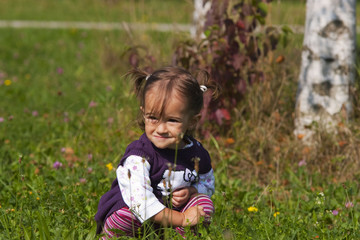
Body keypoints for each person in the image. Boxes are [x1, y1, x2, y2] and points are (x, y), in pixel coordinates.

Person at [95, 66, 219, 239]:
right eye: (153, 118)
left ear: (191, 121)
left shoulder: (197, 153)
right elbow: (140, 203)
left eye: (172, 120)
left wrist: (192, 191)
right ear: (143, 113)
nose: (161, 129)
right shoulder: (139, 155)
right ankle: (112, 237)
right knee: (125, 217)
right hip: (137, 212)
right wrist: (182, 218)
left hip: (171, 218)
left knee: (203, 206)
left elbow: (208, 183)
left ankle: (179, 237)